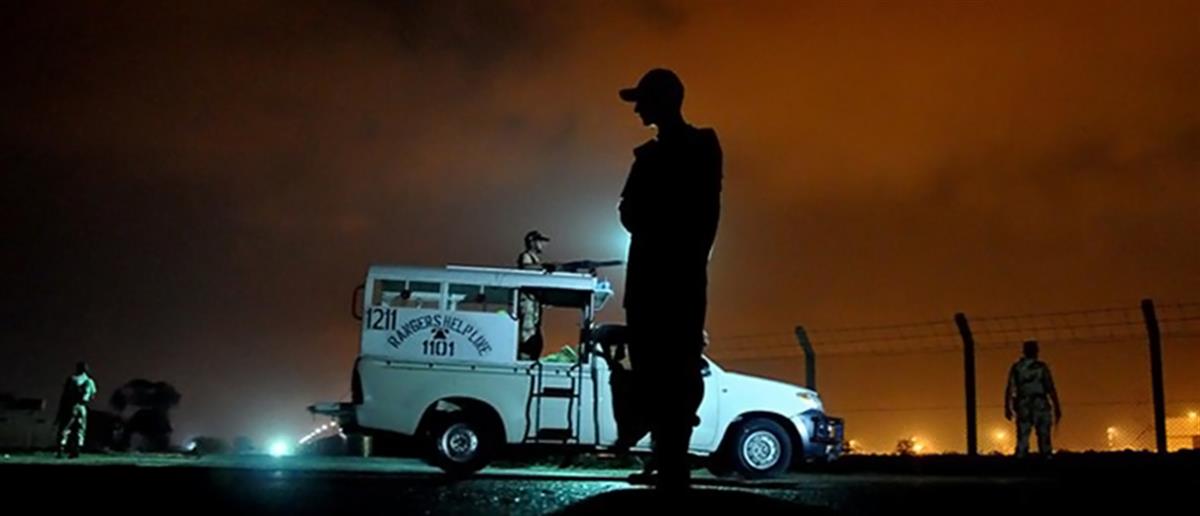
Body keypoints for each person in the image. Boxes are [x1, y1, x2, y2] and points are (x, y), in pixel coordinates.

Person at [616, 68, 722, 488]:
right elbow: (629, 212)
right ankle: (666, 458)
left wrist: (660, 229)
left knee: (673, 369)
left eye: (643, 101)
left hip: (671, 278)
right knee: (656, 369)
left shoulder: (697, 146)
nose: (637, 110)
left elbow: (698, 213)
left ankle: (672, 460)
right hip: (665, 279)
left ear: (662, 102)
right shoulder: (655, 154)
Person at [1005, 340, 1062, 457]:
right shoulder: (1041, 368)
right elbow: (1050, 388)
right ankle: (1045, 458)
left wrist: (1007, 406)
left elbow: (1010, 388)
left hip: (1023, 403)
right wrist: (1057, 406)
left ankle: (1021, 459)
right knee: (1044, 436)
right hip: (1040, 403)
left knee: (1023, 436)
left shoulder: (1017, 367)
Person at [517, 230, 550, 359]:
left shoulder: (534, 258)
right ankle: (524, 358)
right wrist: (543, 268)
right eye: (540, 241)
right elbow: (526, 268)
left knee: (535, 334)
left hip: (533, 303)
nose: (542, 245)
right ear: (532, 242)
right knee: (527, 333)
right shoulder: (526, 256)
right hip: (528, 301)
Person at [56, 361, 97, 458]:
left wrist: (61, 409)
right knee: (80, 429)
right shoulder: (90, 381)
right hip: (82, 407)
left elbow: (65, 395)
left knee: (65, 428)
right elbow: (93, 396)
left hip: (71, 406)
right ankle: (77, 449)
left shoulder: (72, 379)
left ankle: (61, 449)